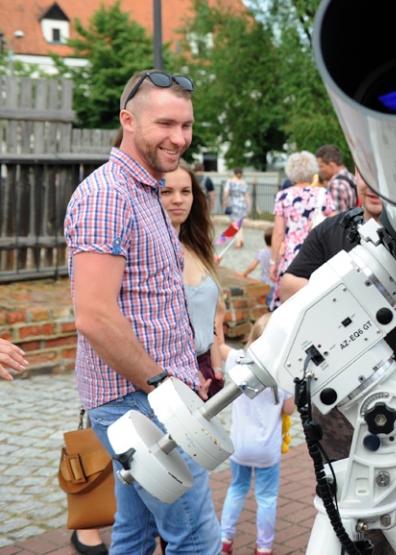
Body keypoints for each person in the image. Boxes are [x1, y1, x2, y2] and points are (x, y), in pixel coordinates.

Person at [64, 69, 220, 555]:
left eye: (187, 125)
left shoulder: (146, 189)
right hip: (141, 402)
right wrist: (163, 385)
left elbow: (156, 302)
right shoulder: (108, 195)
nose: (180, 138)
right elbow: (94, 316)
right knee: (195, 539)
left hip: (149, 397)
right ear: (128, 120)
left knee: (131, 535)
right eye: (166, 124)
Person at [277, 170, 396, 555]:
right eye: (365, 175)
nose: (372, 185)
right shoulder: (333, 230)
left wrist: (348, 299)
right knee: (341, 488)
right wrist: (361, 298)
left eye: (385, 177)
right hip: (339, 384)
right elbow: (289, 285)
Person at [218, 313, 295, 555]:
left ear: (252, 338)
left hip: (239, 445)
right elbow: (289, 409)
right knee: (267, 498)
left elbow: (219, 346)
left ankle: (224, 539)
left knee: (237, 488)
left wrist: (218, 321)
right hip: (267, 450)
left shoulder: (239, 360)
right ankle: (264, 546)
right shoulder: (283, 372)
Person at [161, 160, 227, 397]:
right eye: (166, 191)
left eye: (185, 191)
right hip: (171, 374)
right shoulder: (150, 255)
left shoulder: (198, 248)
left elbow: (208, 320)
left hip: (207, 370)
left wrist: (216, 367)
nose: (178, 199)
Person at [268, 151, 325, 310]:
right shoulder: (322, 194)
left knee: (289, 306)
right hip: (317, 254)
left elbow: (279, 232)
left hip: (292, 255)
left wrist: (273, 261)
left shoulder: (283, 196)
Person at [316, 144, 357, 216]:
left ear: (332, 165)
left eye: (321, 166)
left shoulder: (335, 185)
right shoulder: (352, 177)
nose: (319, 170)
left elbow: (337, 219)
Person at [242, 231, 276, 305]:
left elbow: (252, 266)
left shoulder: (261, 252)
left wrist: (244, 274)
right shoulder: (278, 253)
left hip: (264, 282)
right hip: (275, 284)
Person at [223, 167, 251, 248]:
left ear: (234, 173)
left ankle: (238, 241)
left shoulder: (230, 181)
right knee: (240, 224)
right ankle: (240, 239)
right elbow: (247, 196)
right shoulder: (244, 183)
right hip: (242, 204)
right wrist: (249, 207)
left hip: (233, 204)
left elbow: (226, 191)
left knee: (234, 224)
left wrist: (225, 200)